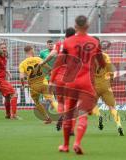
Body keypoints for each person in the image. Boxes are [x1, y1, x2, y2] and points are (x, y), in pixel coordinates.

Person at [44, 15, 105, 154]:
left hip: (70, 82)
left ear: (76, 26)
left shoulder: (67, 42)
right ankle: (77, 143)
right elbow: (101, 63)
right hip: (86, 82)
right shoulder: (94, 42)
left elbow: (59, 62)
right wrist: (98, 68)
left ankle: (65, 146)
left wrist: (52, 80)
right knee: (82, 115)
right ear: (88, 26)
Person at [39, 27, 76, 132]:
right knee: (71, 104)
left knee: (60, 102)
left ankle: (62, 116)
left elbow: (52, 55)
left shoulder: (60, 44)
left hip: (59, 77)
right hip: (72, 78)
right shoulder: (78, 46)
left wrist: (43, 62)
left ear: (65, 35)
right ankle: (71, 129)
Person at [91, 36, 124, 136]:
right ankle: (119, 125)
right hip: (105, 85)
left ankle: (99, 115)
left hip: (94, 86)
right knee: (112, 107)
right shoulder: (105, 56)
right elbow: (111, 72)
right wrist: (111, 81)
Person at [19, 45, 58, 124]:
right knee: (51, 99)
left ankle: (47, 118)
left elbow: (22, 77)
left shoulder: (22, 64)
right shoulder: (38, 59)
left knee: (37, 102)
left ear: (25, 52)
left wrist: (23, 85)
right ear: (31, 50)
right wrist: (49, 73)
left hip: (33, 86)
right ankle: (62, 114)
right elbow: (49, 69)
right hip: (43, 82)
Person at [0, 42, 18, 119]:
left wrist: (7, 71)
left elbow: (1, 68)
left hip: (2, 80)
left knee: (7, 97)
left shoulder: (4, 57)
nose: (4, 49)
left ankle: (8, 115)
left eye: (5, 48)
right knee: (14, 94)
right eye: (2, 48)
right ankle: (13, 115)